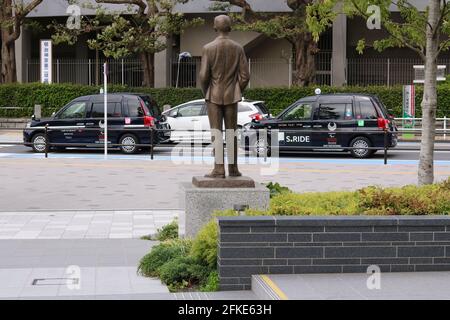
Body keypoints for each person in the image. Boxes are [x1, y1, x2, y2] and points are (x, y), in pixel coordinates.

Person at [199, 15, 250, 178]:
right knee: (231, 133)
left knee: (217, 133)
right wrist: (236, 90)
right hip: (231, 96)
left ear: (215, 27)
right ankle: (233, 169)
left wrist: (206, 91)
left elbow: (203, 76)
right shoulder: (238, 48)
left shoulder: (208, 48)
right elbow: (245, 76)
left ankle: (219, 169)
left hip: (213, 95)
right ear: (230, 28)